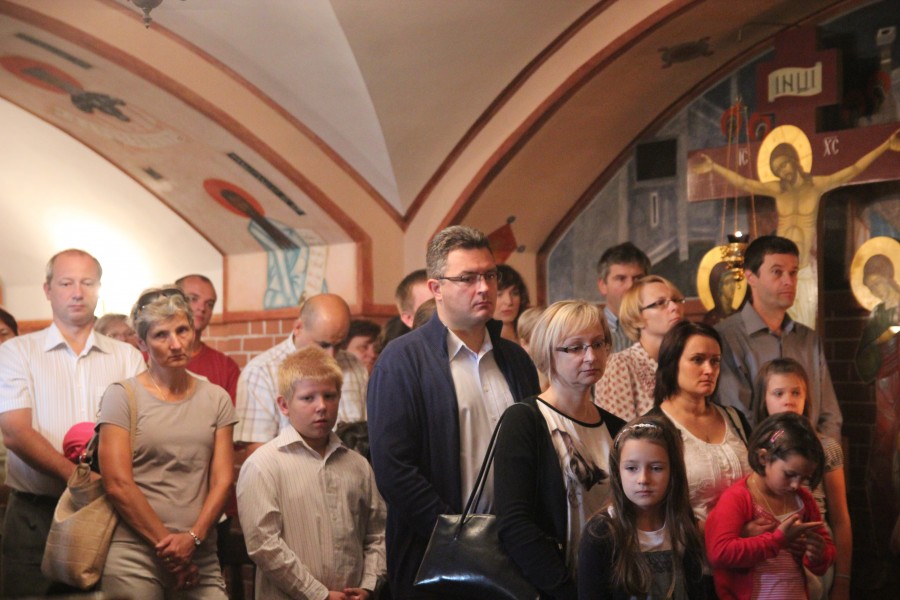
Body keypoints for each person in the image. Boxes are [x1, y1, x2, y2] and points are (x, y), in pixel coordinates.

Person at [367, 225, 540, 599]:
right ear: (436, 288)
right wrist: (459, 538)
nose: (484, 288)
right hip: (435, 557)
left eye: (490, 275)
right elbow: (395, 470)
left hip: (515, 550)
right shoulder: (402, 360)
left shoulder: (515, 360)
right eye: (467, 278)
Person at [0, 249, 145, 598]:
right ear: (48, 290)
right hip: (35, 514)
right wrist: (80, 480)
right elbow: (15, 433)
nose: (77, 292)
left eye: (87, 283)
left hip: (108, 513)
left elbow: (142, 431)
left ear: (99, 289)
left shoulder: (127, 357)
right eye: (66, 283)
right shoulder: (15, 352)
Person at [97, 287, 236, 597]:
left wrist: (193, 538)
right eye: (161, 335)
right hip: (136, 552)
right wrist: (173, 552)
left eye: (182, 330)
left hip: (199, 549)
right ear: (142, 343)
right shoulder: (122, 396)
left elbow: (223, 480)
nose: (175, 344)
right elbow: (117, 483)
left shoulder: (216, 398)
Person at [694, 127, 900, 328]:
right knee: (775, 325)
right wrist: (714, 167)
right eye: (778, 169)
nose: (783, 171)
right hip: (777, 270)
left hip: (802, 267)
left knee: (804, 327)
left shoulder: (817, 185)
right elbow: (745, 183)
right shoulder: (778, 189)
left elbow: (853, 170)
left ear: (795, 160)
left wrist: (885, 146)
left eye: (784, 164)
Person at [494, 300, 625, 599]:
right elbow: (514, 524)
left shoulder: (617, 427)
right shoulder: (525, 419)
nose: (591, 356)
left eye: (598, 344)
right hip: (553, 588)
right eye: (575, 347)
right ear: (547, 353)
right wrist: (566, 591)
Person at [237, 347, 385, 600]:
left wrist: (369, 584)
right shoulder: (263, 465)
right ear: (284, 405)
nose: (322, 406)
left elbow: (377, 533)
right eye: (308, 398)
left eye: (330, 396)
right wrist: (319, 594)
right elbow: (264, 545)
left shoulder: (358, 465)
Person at [716, 235, 842, 440]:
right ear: (751, 277)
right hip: (758, 454)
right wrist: (779, 452)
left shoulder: (808, 339)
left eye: (793, 273)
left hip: (812, 453)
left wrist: (821, 452)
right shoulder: (727, 337)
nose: (788, 281)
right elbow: (737, 418)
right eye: (777, 272)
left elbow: (829, 414)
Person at [705, 412, 836, 600]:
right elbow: (719, 553)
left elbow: (825, 549)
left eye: (804, 478)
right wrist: (776, 541)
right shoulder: (739, 498)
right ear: (763, 458)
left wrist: (819, 553)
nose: (796, 485)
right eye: (789, 474)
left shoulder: (803, 500)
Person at [578, 415, 708, 600]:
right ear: (617, 472)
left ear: (673, 472)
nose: (643, 479)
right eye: (632, 468)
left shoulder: (684, 526)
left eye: (656, 468)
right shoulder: (600, 533)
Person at [754, 359, 851, 600]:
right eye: (778, 393)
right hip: (769, 550)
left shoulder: (826, 447)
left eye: (796, 392)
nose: (788, 400)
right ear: (764, 399)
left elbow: (840, 518)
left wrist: (843, 580)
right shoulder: (755, 448)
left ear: (806, 397)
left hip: (813, 545)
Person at [646, 321, 751, 528]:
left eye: (715, 361)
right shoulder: (653, 428)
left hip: (750, 541)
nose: (709, 370)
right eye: (697, 360)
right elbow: (652, 508)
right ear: (673, 362)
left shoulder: (734, 417)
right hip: (690, 543)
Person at [235, 293, 368, 453]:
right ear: (298, 328)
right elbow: (258, 453)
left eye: (339, 345)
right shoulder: (261, 372)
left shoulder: (354, 366)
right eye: (323, 345)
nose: (331, 356)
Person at [596, 275, 685, 421]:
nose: (674, 307)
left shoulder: (687, 361)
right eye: (660, 303)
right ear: (637, 317)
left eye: (676, 300)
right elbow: (619, 430)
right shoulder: (620, 365)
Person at [175, 275, 241, 404]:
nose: (202, 308)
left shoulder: (226, 367)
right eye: (193, 299)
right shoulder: (146, 358)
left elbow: (232, 415)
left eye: (209, 304)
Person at [596, 242, 651, 353]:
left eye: (638, 278)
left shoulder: (657, 326)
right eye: (621, 279)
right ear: (603, 286)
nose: (630, 285)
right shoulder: (590, 330)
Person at [854, 253, 900, 382]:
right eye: (871, 288)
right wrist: (881, 340)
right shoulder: (877, 313)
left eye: (877, 283)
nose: (875, 290)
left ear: (888, 278)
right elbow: (863, 356)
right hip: (885, 380)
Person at [494, 264, 530, 342]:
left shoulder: (533, 337)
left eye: (514, 293)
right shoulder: (477, 342)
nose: (509, 302)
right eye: (499, 294)